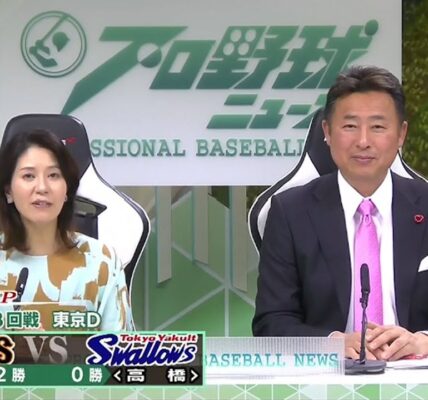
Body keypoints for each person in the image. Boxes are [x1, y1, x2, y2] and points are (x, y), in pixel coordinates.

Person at [252, 65, 428, 361]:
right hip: (329, 375)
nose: (363, 141)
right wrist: (331, 344)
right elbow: (271, 323)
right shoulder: (290, 212)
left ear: (401, 134)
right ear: (327, 133)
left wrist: (423, 342)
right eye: (349, 126)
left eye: (378, 127)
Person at [0, 128, 133, 331]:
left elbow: (119, 346)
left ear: (66, 191)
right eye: (28, 176)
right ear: (8, 191)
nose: (42, 187)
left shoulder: (102, 261)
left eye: (53, 175)